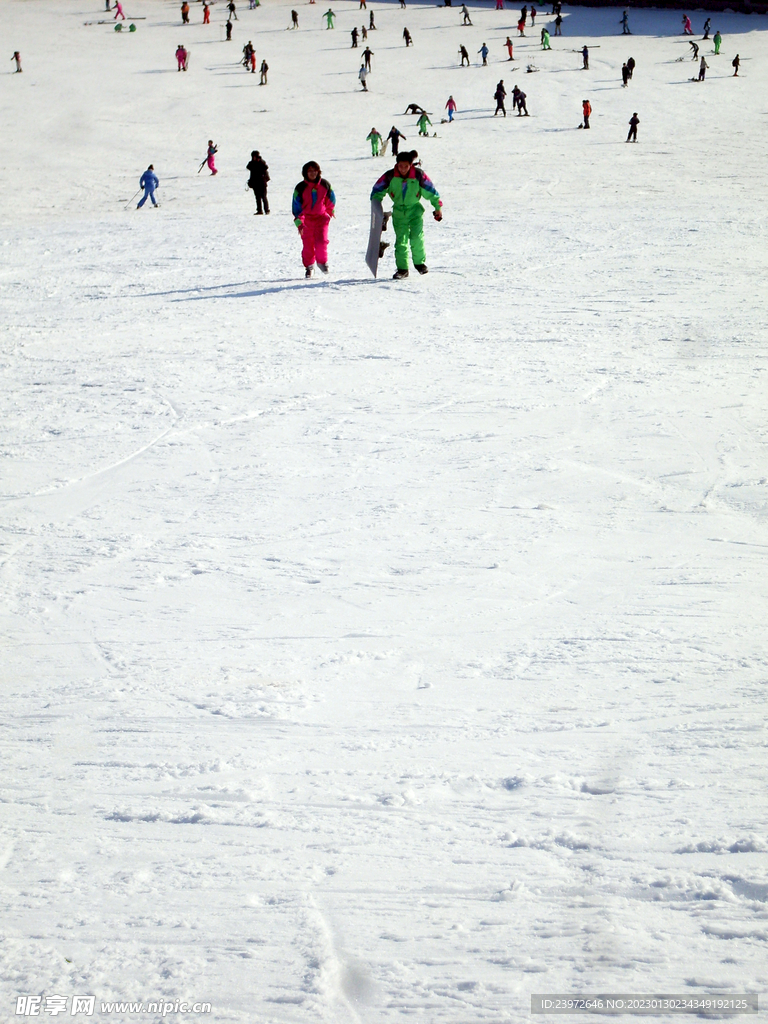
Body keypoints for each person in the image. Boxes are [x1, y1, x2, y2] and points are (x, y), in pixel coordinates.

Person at [371, 151, 442, 279]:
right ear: (397, 165)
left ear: (411, 165)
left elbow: (431, 191)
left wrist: (437, 207)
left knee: (416, 237)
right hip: (399, 212)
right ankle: (402, 269)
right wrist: (376, 205)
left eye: (406, 166)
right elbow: (377, 190)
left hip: (415, 211)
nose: (403, 169)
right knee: (401, 240)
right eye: (400, 166)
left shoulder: (418, 175)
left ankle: (419, 263)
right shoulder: (390, 176)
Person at [292, 160, 335, 277]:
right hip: (306, 221)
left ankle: (322, 262)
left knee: (322, 241)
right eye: (309, 171)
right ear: (305, 173)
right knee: (308, 245)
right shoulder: (300, 187)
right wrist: (299, 222)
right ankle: (309, 266)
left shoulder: (324, 184)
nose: (312, 173)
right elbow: (296, 206)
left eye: (314, 171)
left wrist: (329, 213)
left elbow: (331, 199)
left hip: (321, 219)